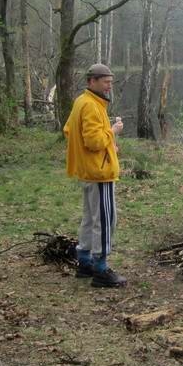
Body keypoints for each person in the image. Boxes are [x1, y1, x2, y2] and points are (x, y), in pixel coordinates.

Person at [63, 63, 127, 288]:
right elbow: (92, 141)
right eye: (106, 82)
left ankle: (85, 263)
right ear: (92, 81)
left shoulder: (83, 101)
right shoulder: (90, 105)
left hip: (89, 170)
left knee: (90, 218)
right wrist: (113, 132)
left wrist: (109, 145)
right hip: (99, 173)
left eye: (110, 82)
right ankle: (101, 269)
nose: (109, 86)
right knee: (105, 220)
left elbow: (70, 131)